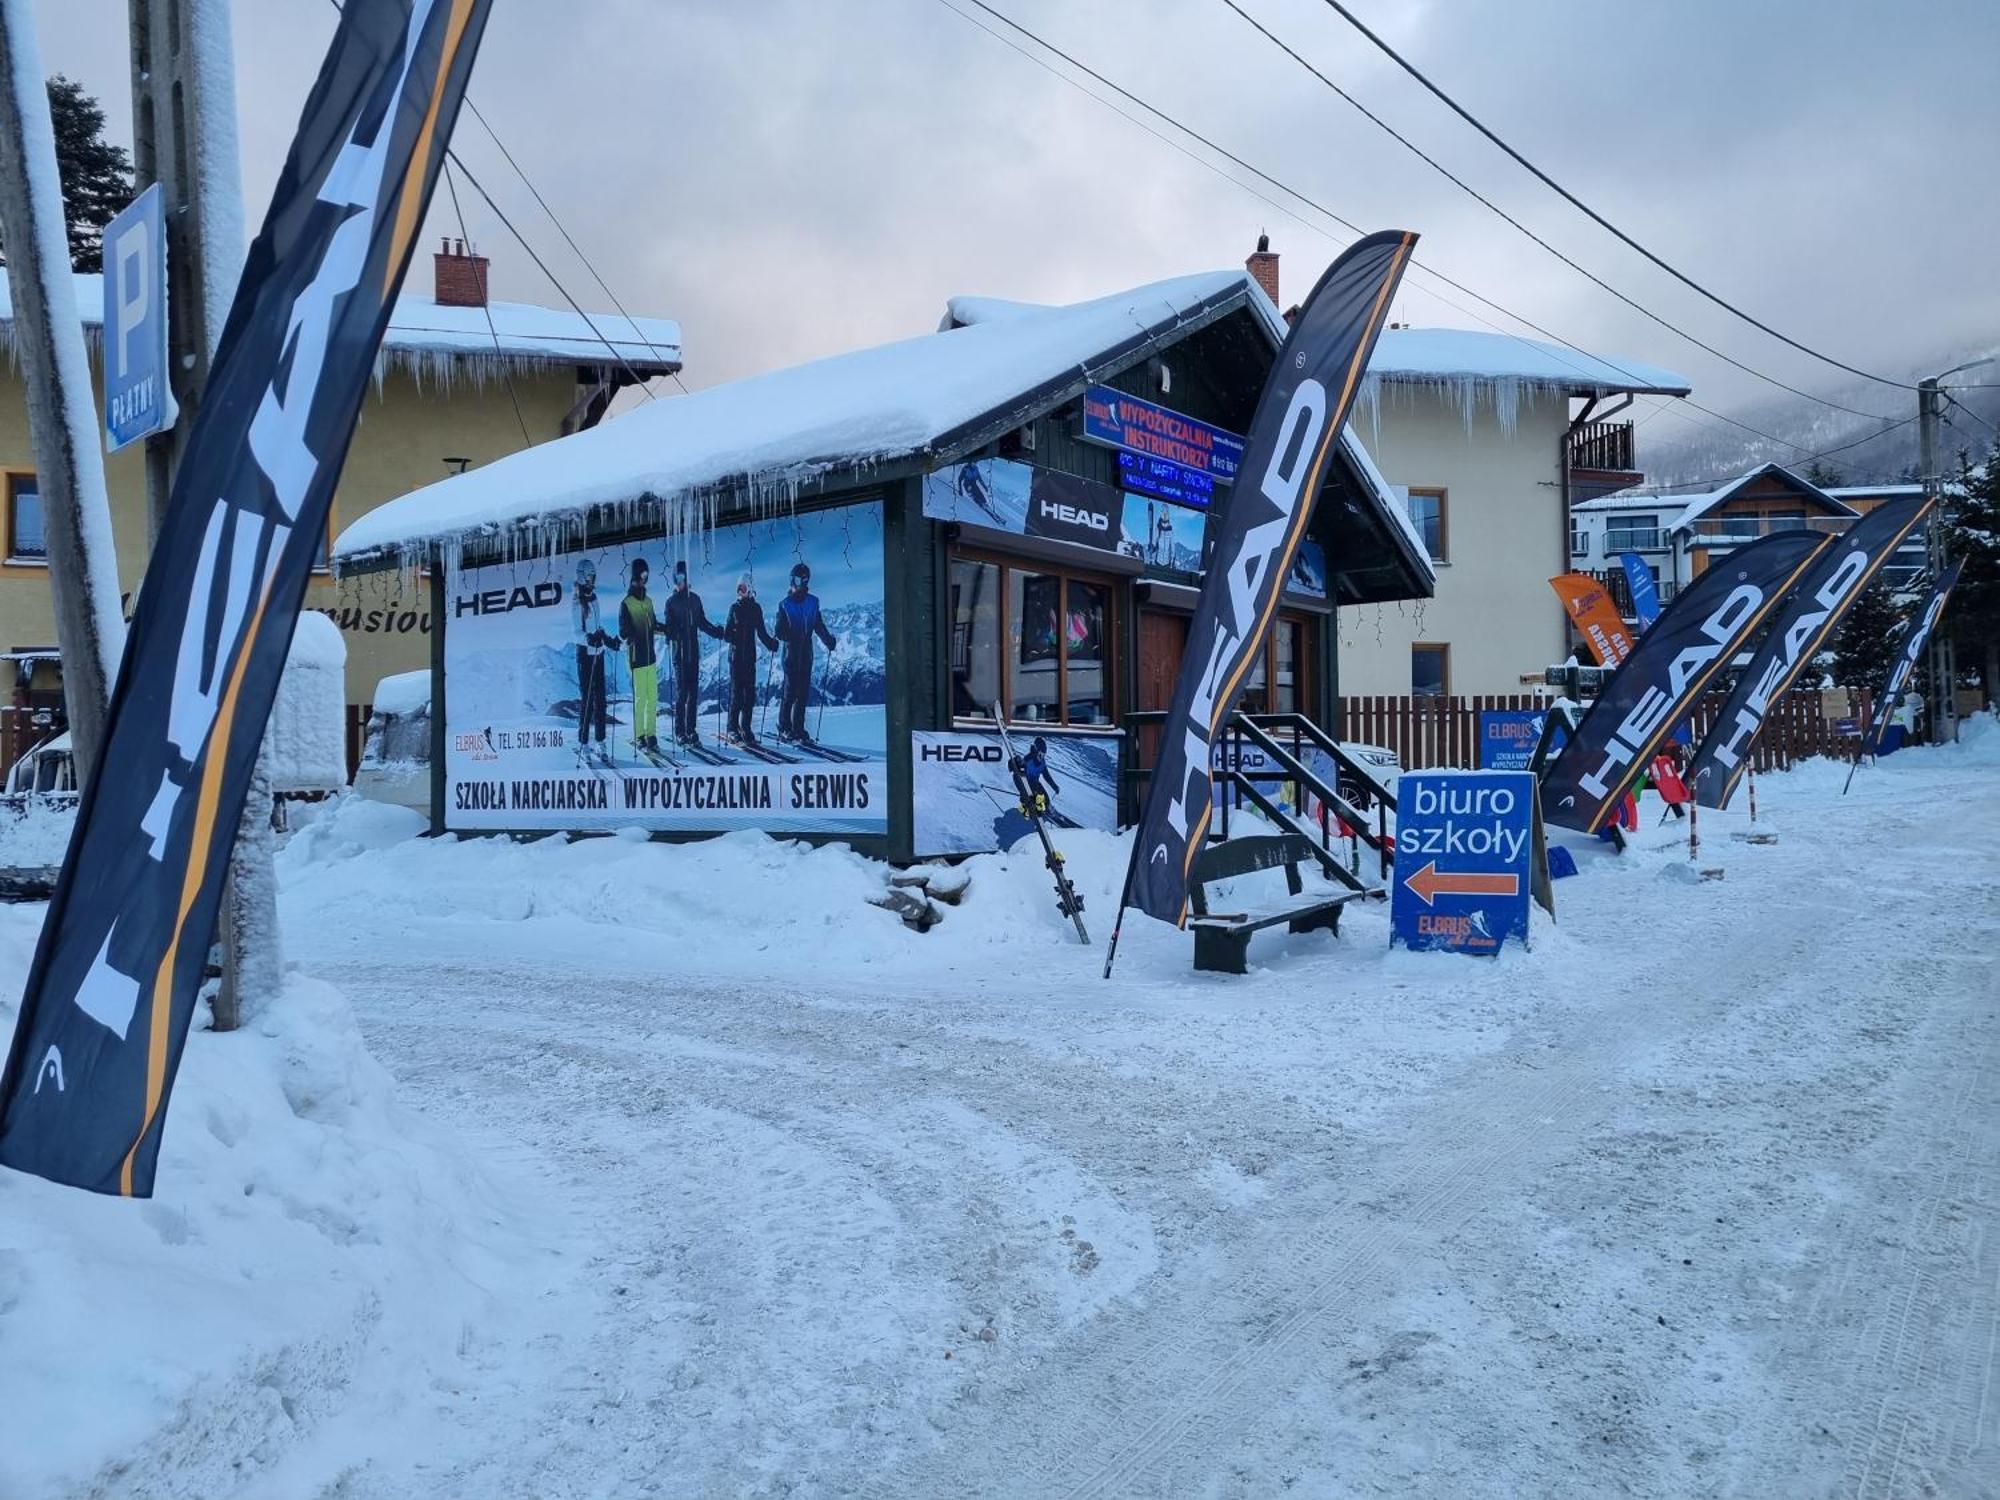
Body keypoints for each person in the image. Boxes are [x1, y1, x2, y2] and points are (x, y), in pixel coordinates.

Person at [662, 559, 725, 746]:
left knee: (693, 695)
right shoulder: (671, 603)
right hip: (679, 656)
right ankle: (680, 732)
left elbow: (702, 622)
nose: (679, 581)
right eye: (676, 578)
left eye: (681, 577)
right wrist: (672, 632)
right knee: (682, 695)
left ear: (687, 578)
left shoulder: (695, 600)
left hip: (694, 654)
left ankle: (691, 730)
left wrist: (716, 632)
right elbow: (669, 629)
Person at [773, 560, 837, 743]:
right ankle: (784, 726)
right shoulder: (784, 605)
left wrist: (828, 640)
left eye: (797, 580)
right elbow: (779, 630)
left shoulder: (813, 603)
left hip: (806, 655)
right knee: (789, 692)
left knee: (802, 694)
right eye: (791, 579)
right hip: (791, 655)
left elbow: (818, 625)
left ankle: (798, 728)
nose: (793, 584)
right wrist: (787, 634)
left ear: (805, 581)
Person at [723, 571, 778, 745]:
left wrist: (771, 644)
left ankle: (745, 727)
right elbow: (726, 633)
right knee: (737, 695)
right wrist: (731, 634)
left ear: (750, 588)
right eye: (738, 589)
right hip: (736, 658)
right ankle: (732, 728)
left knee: (750, 697)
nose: (740, 592)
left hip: (750, 659)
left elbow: (761, 632)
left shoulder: (756, 609)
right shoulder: (734, 608)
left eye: (743, 588)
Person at [617, 558, 664, 752]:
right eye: (642, 576)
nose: (645, 580)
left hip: (651, 657)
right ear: (635, 576)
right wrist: (628, 633)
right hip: (636, 658)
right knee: (641, 699)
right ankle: (639, 735)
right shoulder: (626, 604)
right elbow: (622, 631)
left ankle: (651, 734)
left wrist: (669, 629)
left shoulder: (649, 602)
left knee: (653, 698)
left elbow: (654, 625)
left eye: (647, 576)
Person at [571, 558, 617, 754]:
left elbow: (597, 627)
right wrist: (589, 639)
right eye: (590, 576)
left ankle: (600, 740)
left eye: (594, 576)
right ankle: (583, 742)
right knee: (588, 700)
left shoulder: (594, 599)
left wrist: (607, 639)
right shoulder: (576, 602)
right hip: (585, 655)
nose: (593, 579)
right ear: (582, 576)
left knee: (601, 700)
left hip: (598, 653)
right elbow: (577, 633)